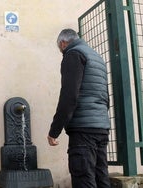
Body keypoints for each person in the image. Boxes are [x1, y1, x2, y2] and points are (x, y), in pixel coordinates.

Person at [47, 28, 111, 188]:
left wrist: (54, 130)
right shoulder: (96, 57)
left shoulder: (73, 54)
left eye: (59, 48)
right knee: (101, 177)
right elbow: (105, 95)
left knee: (83, 178)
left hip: (83, 130)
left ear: (63, 43)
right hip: (101, 127)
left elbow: (69, 95)